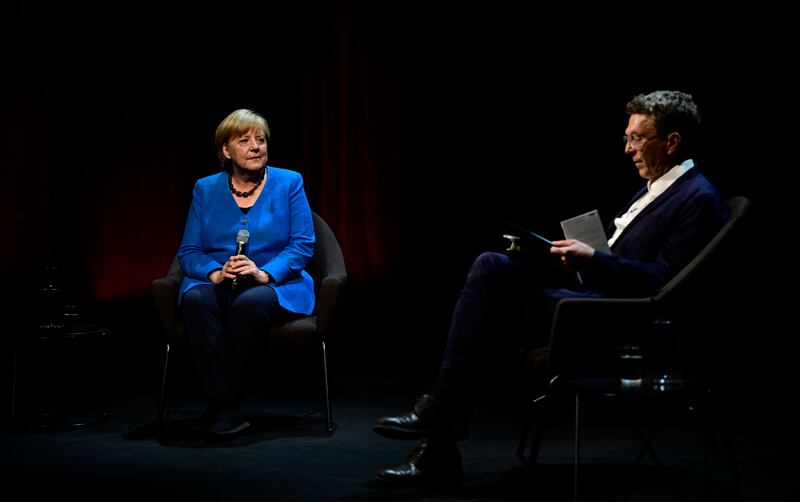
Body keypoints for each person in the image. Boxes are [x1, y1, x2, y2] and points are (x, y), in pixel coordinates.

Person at [372, 90, 727, 484]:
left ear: (672, 141)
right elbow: (627, 262)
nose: (628, 149)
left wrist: (595, 260)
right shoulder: (655, 189)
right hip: (594, 296)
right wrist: (573, 258)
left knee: (486, 315)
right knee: (491, 266)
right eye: (627, 138)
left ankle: (440, 423)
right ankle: (441, 422)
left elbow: (665, 282)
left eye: (637, 138)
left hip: (617, 322)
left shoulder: (697, 198)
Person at [177, 109, 315, 436]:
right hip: (220, 282)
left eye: (261, 139)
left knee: (250, 304)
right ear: (226, 150)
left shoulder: (289, 182)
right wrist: (215, 273)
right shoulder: (205, 189)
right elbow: (189, 251)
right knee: (196, 300)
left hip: (274, 284)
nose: (256, 147)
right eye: (244, 140)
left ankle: (224, 406)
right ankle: (226, 404)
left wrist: (264, 272)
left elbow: (302, 244)